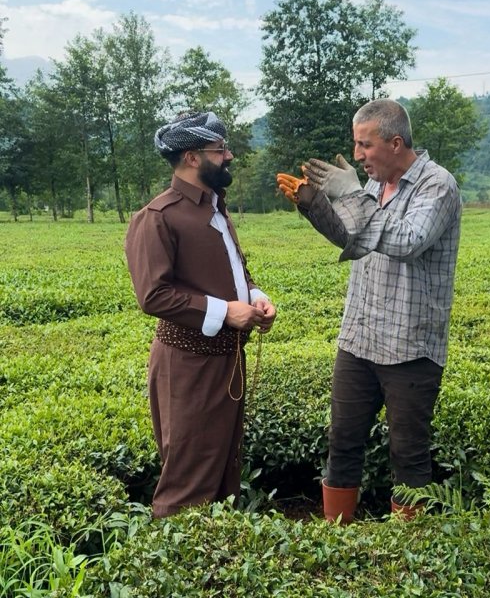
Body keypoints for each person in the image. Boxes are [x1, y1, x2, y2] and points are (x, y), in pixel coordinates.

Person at [285, 99, 461, 523]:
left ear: (395, 143)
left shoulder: (437, 186)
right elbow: (354, 237)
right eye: (356, 144)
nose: (358, 155)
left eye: (365, 145)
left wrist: (351, 194)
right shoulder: (373, 187)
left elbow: (407, 241)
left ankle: (409, 544)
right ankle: (337, 534)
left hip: (410, 345)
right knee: (342, 441)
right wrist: (314, 205)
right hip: (359, 337)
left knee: (408, 452)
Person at [125, 111, 277, 518]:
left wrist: (255, 297)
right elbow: (153, 295)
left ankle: (219, 549)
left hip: (227, 359)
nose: (229, 156)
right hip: (188, 366)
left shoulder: (215, 207)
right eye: (220, 149)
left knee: (225, 467)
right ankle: (175, 552)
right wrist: (225, 312)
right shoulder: (157, 217)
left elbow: (232, 271)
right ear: (192, 157)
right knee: (189, 479)